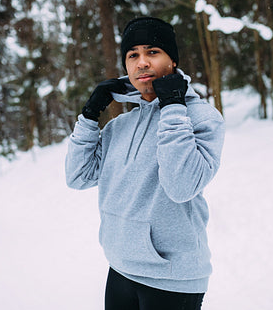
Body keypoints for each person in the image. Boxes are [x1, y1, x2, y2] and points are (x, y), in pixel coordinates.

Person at [65, 17, 225, 310]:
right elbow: (78, 176)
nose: (142, 63)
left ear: (172, 61)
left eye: (153, 52)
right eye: (133, 55)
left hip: (172, 281)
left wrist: (174, 106)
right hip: (120, 269)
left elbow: (180, 186)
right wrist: (89, 116)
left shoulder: (202, 119)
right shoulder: (119, 125)